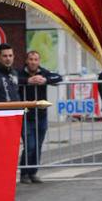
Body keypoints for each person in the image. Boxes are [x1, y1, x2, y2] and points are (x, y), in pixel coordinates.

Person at [18, 49, 62, 183]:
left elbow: (59, 77)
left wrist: (45, 80)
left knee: (38, 145)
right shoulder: (20, 73)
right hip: (26, 115)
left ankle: (33, 172)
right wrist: (27, 81)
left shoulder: (43, 72)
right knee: (29, 146)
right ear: (26, 61)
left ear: (39, 61)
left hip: (41, 115)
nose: (33, 62)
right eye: (30, 59)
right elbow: (14, 80)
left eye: (35, 60)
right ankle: (24, 173)